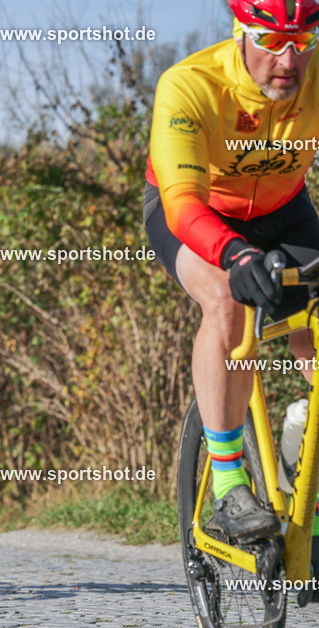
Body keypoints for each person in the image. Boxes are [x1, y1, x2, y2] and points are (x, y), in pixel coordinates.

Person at [145, 0, 319, 542]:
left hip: (284, 210)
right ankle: (227, 483)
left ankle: (302, 461)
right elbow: (182, 202)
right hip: (199, 214)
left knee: (313, 325)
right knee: (227, 300)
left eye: (303, 42)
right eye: (271, 42)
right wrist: (236, 254)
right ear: (241, 32)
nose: (288, 61)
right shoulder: (191, 85)